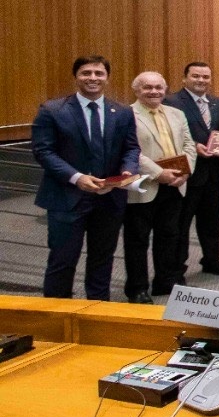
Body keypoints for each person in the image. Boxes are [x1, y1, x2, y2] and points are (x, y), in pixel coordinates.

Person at [32, 56, 140, 299]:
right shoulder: (52, 110)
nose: (93, 78)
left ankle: (97, 313)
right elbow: (43, 152)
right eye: (86, 73)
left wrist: (127, 170)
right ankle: (57, 318)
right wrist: (76, 177)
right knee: (62, 260)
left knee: (102, 260)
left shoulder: (122, 112)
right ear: (76, 77)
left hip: (109, 198)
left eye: (99, 73)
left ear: (107, 78)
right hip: (67, 198)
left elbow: (131, 148)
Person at [123, 71, 196, 302]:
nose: (154, 91)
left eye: (158, 87)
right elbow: (131, 150)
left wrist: (185, 172)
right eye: (147, 87)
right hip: (144, 186)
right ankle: (137, 288)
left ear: (165, 90)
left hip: (175, 184)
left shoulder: (177, 114)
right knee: (137, 240)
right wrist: (159, 173)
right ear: (136, 91)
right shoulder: (127, 115)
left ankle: (164, 281)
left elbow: (189, 145)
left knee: (169, 236)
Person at [164, 61, 219, 276]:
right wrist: (194, 146)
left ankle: (211, 260)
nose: (201, 80)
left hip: (213, 172)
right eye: (196, 76)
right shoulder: (171, 102)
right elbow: (168, 136)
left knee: (212, 220)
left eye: (205, 77)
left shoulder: (218, 103)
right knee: (182, 223)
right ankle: (177, 266)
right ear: (185, 78)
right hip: (187, 172)